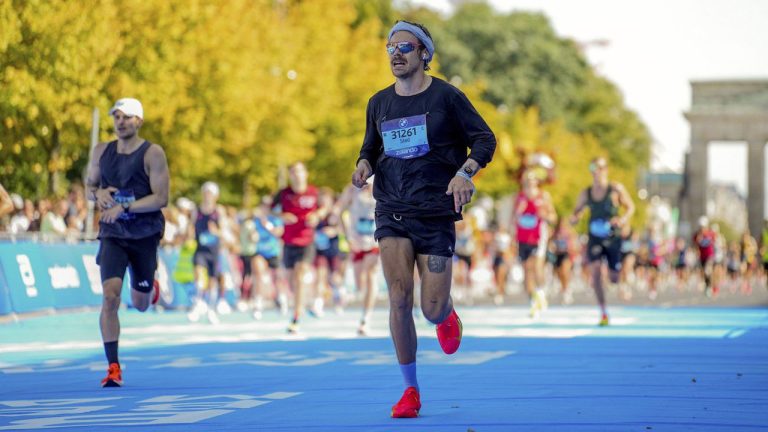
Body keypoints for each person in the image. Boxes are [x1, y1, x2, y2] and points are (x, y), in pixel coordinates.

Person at [351, 20, 496, 418]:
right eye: (390, 48)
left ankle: (446, 314)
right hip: (392, 210)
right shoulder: (379, 102)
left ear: (424, 54)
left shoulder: (447, 97)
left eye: (405, 47)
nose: (396, 54)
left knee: (429, 308)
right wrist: (363, 165)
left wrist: (464, 172)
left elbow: (485, 139)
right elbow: (369, 147)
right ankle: (410, 391)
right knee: (398, 299)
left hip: (434, 212)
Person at [85, 97, 168, 387]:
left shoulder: (152, 153)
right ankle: (113, 366)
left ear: (139, 121)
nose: (121, 122)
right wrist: (98, 195)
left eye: (127, 117)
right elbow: (89, 187)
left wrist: (125, 206)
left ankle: (150, 286)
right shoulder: (101, 151)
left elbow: (161, 198)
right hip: (113, 233)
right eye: (117, 116)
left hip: (144, 234)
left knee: (141, 304)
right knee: (110, 296)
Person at [569, 157, 634, 326]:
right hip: (595, 238)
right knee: (596, 272)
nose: (595, 171)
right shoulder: (587, 192)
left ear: (605, 169)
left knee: (613, 278)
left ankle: (621, 281)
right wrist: (575, 218)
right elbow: (577, 210)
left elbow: (630, 207)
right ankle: (603, 311)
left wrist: (623, 219)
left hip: (613, 238)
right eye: (592, 168)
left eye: (598, 168)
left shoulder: (615, 189)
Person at [274, 161, 319, 333]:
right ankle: (305, 302)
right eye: (293, 172)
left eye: (299, 171)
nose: (297, 175)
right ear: (290, 176)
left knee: (300, 273)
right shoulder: (284, 193)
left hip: (307, 241)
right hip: (288, 242)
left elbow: (325, 208)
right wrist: (282, 215)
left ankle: (296, 316)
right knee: (293, 281)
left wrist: (317, 215)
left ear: (305, 174)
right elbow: (268, 210)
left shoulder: (314, 192)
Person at [337, 179, 380, 335]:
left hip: (375, 242)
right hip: (356, 242)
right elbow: (340, 211)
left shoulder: (382, 187)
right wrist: (347, 235)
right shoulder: (351, 190)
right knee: (360, 284)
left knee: (371, 273)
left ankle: (366, 318)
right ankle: (353, 296)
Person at [512, 171, 555, 318]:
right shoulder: (519, 198)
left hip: (538, 237)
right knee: (526, 272)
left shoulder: (543, 197)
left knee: (535, 266)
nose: (529, 183)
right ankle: (532, 302)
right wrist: (519, 212)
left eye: (532, 181)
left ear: (537, 182)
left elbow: (553, 217)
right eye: (527, 181)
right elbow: (514, 218)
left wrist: (544, 215)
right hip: (523, 238)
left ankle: (541, 292)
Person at [187, 181, 227, 324]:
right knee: (198, 272)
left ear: (216, 196)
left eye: (210, 193)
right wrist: (188, 234)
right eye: (205, 193)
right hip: (200, 250)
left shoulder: (219, 211)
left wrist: (216, 232)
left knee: (212, 281)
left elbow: (224, 232)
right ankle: (198, 302)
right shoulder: (196, 211)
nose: (207, 196)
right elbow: (190, 228)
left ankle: (211, 308)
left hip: (214, 251)